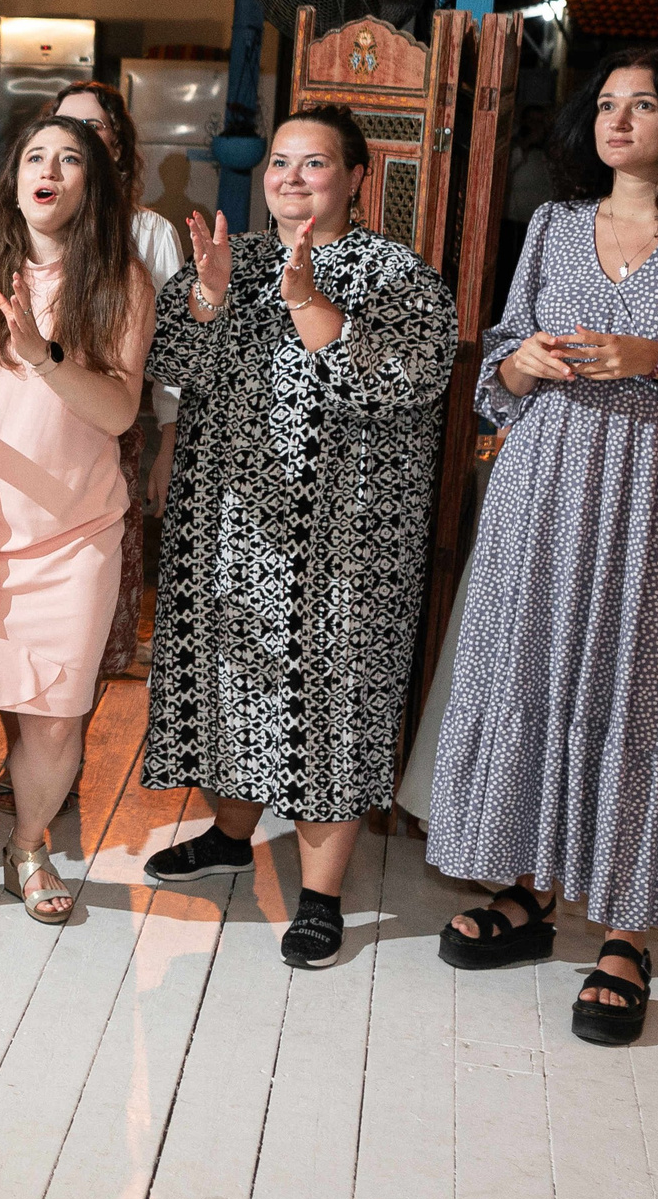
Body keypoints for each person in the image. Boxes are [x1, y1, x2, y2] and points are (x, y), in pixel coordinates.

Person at [425, 47, 658, 1046]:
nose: (618, 119)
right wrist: (526, 359)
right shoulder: (549, 223)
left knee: (633, 685)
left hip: (648, 494)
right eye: (606, 103)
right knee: (528, 674)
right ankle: (528, 888)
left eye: (645, 103)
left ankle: (625, 931)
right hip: (536, 486)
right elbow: (497, 360)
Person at [140, 107, 459, 970]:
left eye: (313, 164)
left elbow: (406, 381)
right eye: (280, 163)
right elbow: (174, 367)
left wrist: (309, 298)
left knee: (333, 708)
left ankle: (320, 895)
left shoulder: (399, 275)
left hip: (346, 544)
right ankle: (229, 836)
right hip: (231, 527)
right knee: (231, 688)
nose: (290, 178)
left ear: (357, 178)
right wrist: (207, 295)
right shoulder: (230, 258)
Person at [0, 116, 154, 922]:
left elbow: (119, 411)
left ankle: (31, 843)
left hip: (76, 531)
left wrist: (42, 350)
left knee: (51, 718)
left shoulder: (119, 281)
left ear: (91, 183)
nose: (49, 170)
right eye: (35, 158)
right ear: (13, 177)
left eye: (70, 159)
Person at [51, 81, 185, 678]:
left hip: (115, 434)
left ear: (117, 143)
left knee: (93, 598)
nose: (78, 136)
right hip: (29, 441)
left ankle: (64, 756)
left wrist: (169, 450)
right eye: (65, 124)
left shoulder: (149, 232)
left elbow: (176, 358)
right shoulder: (30, 225)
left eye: (94, 126)